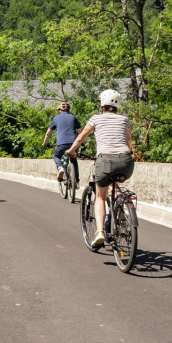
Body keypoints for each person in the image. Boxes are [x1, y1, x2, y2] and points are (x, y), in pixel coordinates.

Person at [68, 89, 134, 249]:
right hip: (126, 162)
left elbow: (81, 136)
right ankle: (123, 213)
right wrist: (129, 152)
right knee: (116, 184)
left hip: (105, 160)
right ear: (118, 105)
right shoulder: (124, 119)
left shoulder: (96, 118)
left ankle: (99, 232)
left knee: (100, 197)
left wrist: (71, 150)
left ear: (102, 104)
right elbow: (129, 140)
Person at [43, 102, 81, 184]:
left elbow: (48, 133)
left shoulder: (56, 118)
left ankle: (60, 168)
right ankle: (77, 181)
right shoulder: (73, 118)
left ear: (60, 110)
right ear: (68, 110)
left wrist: (45, 144)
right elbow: (80, 131)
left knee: (56, 156)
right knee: (73, 159)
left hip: (61, 144)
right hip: (73, 144)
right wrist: (81, 143)